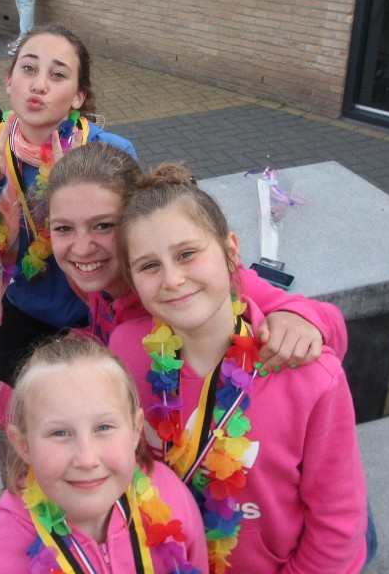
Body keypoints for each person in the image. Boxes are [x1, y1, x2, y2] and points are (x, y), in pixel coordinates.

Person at [108, 163, 372, 574]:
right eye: (149, 266)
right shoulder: (126, 353)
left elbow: (337, 524)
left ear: (231, 251)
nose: (172, 279)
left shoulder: (308, 376)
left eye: (187, 254)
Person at [0, 142, 345, 426]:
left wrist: (302, 318)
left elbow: (319, 318)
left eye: (104, 225)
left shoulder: (180, 285)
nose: (81, 247)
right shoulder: (96, 281)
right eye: (64, 229)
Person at [0, 24, 133, 385]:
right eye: (29, 68)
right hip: (20, 310)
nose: (39, 85)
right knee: (8, 403)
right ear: (9, 81)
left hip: (98, 312)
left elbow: (143, 240)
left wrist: (75, 191)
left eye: (58, 75)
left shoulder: (110, 153)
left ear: (78, 96)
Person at [0, 337, 209, 574]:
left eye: (103, 427)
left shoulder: (171, 496)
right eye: (59, 433)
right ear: (23, 444)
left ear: (136, 429)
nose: (86, 459)